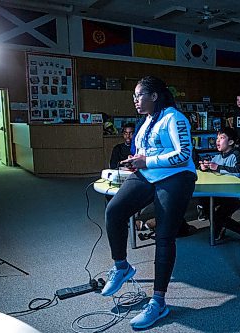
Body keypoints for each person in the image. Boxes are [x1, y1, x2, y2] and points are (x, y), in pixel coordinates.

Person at [100, 76, 197, 330]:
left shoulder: (174, 118)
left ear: (154, 96)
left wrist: (147, 161)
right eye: (134, 96)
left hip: (177, 176)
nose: (135, 100)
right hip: (148, 173)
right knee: (114, 211)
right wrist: (136, 160)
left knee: (164, 236)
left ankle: (158, 302)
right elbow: (146, 153)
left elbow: (184, 155)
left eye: (139, 95)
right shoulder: (145, 123)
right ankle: (121, 266)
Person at [198, 127, 240, 251]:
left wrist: (217, 167)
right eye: (217, 138)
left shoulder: (236, 154)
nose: (217, 141)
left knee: (219, 216)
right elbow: (211, 165)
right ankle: (218, 228)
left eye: (221, 138)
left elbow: (238, 172)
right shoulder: (218, 156)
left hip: (238, 194)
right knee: (205, 202)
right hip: (223, 193)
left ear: (231, 142)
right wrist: (204, 167)